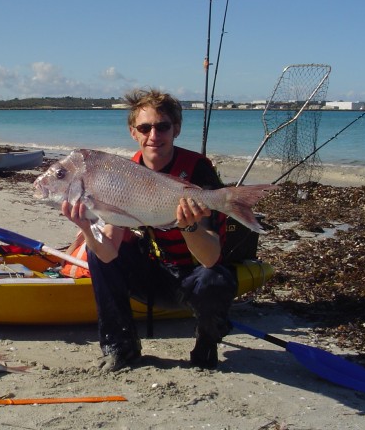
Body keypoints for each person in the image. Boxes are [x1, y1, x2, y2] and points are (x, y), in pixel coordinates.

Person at [61, 88, 237, 372]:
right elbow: (107, 255)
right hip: (152, 276)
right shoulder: (122, 173)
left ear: (176, 129)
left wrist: (188, 224)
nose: (153, 135)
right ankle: (121, 347)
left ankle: (206, 342)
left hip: (193, 279)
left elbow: (210, 258)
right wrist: (85, 226)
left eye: (162, 126)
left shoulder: (198, 170)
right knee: (94, 254)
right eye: (145, 127)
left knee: (216, 278)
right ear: (134, 132)